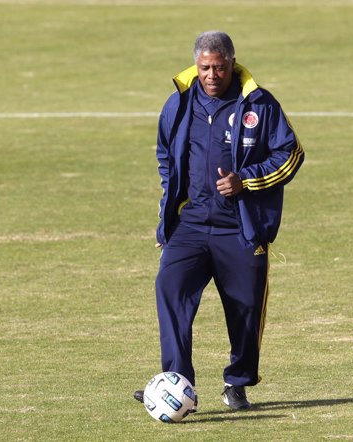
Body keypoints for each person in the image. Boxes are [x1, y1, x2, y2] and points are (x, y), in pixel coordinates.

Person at [134, 31, 304, 411]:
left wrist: (246, 181)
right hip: (190, 226)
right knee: (170, 289)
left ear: (232, 63)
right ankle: (176, 383)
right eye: (205, 67)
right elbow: (166, 156)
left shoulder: (259, 104)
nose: (212, 75)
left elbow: (291, 154)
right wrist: (167, 213)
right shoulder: (178, 103)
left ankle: (238, 382)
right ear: (197, 65)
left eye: (220, 67)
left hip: (240, 228)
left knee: (244, 309)